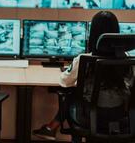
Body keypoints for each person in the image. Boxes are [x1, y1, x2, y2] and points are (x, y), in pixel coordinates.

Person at [33, 11, 134, 140]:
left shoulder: (84, 60)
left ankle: (53, 126)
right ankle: (52, 126)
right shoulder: (129, 61)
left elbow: (64, 82)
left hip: (90, 118)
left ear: (93, 34)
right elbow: (130, 85)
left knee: (73, 95)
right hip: (121, 116)